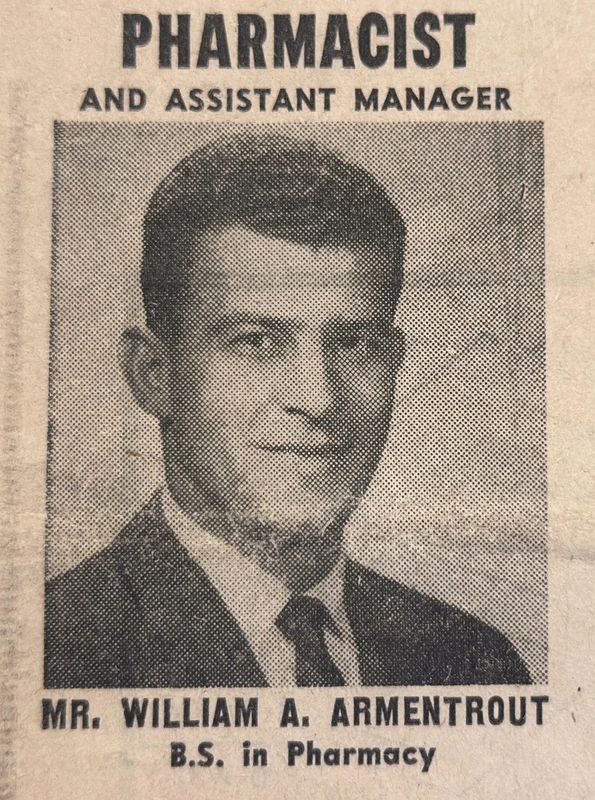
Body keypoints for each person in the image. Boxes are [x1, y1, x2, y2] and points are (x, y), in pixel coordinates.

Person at [45, 134, 530, 687]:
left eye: (355, 344)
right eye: (256, 343)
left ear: (394, 363)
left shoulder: (472, 659)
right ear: (154, 375)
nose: (318, 397)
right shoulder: (60, 647)